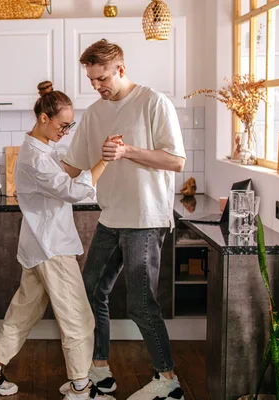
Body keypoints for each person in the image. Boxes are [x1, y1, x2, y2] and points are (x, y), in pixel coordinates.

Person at [0, 81, 113, 400]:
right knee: (78, 318)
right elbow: (72, 192)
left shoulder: (42, 149)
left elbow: (63, 179)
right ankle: (80, 387)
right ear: (44, 118)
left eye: (70, 125)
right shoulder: (36, 157)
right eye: (63, 125)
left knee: (23, 314)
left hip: (38, 245)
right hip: (52, 249)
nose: (66, 130)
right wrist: (105, 160)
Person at [61, 39, 187, 400]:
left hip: (146, 219)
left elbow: (176, 161)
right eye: (91, 80)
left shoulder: (153, 102)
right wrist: (36, 162)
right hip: (111, 217)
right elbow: (73, 165)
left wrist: (128, 150)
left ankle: (168, 381)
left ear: (121, 68)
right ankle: (100, 369)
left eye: (102, 77)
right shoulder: (95, 112)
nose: (97, 86)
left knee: (141, 303)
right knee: (90, 291)